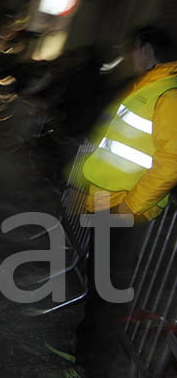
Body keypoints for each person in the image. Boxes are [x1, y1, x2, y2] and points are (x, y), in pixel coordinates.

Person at [75, 26, 177, 377]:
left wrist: (130, 208)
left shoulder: (167, 94)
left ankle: (93, 367)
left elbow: (171, 162)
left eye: (133, 50)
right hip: (107, 200)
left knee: (109, 295)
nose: (131, 56)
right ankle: (82, 355)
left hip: (125, 209)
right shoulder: (146, 87)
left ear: (147, 50)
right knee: (99, 285)